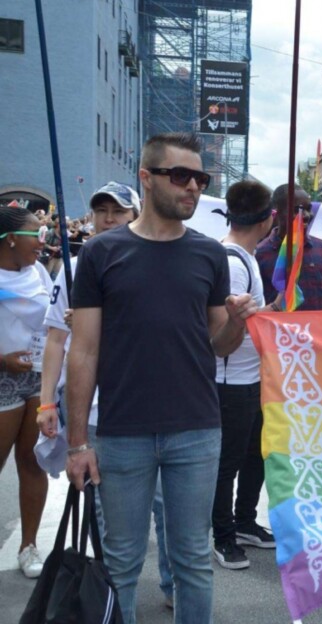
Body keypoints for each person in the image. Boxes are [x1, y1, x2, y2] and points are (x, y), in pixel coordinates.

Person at [64, 132, 256, 624]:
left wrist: (235, 323)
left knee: (193, 560)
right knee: (123, 564)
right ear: (146, 179)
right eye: (181, 175)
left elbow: (219, 345)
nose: (193, 187)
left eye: (200, 178)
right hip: (123, 432)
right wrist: (78, 442)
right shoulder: (101, 253)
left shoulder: (210, 255)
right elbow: (83, 351)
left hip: (196, 428)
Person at [35, 183, 178, 604]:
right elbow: (56, 341)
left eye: (118, 211)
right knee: (108, 518)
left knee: (167, 509)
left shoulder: (155, 258)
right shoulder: (75, 267)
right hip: (96, 415)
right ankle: (115, 601)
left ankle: (173, 585)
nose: (109, 218)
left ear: (136, 213)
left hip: (152, 406)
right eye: (101, 211)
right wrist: (47, 402)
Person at [211, 180, 277, 571]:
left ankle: (246, 521)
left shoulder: (247, 256)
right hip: (230, 380)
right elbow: (224, 328)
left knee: (256, 453)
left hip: (254, 377)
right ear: (268, 219)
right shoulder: (232, 262)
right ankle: (222, 536)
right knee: (227, 463)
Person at [0, 205, 52, 578]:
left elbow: (50, 320)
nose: (42, 240)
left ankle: (29, 546)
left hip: (37, 378)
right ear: (12, 238)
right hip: (2, 377)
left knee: (33, 462)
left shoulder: (38, 273)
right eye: (36, 233)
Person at [254, 185, 322, 310]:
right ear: (277, 212)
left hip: (316, 328)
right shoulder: (260, 253)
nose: (305, 215)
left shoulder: (321, 249)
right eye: (297, 211)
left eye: (308, 209)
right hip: (278, 328)